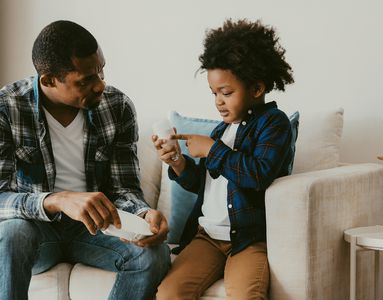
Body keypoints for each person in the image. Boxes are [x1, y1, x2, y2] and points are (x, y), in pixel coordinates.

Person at [0, 20, 170, 300]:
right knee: (11, 234)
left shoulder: (118, 107)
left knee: (153, 254)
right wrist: (58, 200)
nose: (100, 85)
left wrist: (142, 214)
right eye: (85, 80)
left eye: (101, 71)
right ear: (48, 80)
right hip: (36, 229)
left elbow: (124, 187)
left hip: (96, 228)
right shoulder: (7, 108)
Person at [154, 19, 294, 299]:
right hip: (206, 237)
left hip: (248, 239)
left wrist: (211, 150)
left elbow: (258, 174)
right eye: (214, 93)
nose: (218, 101)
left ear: (256, 89)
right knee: (168, 293)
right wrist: (179, 164)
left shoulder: (274, 124)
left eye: (226, 93)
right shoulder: (221, 131)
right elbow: (205, 186)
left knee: (246, 295)